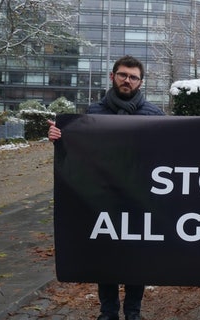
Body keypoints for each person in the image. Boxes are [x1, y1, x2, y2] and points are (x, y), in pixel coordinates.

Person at [48, 55, 164, 320]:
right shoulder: (93, 113)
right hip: (102, 197)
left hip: (139, 198)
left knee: (137, 257)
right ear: (112, 77)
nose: (128, 80)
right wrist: (59, 139)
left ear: (140, 82)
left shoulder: (155, 115)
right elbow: (77, 153)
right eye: (123, 75)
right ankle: (108, 311)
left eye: (133, 77)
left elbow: (166, 155)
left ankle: (133, 311)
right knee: (106, 254)